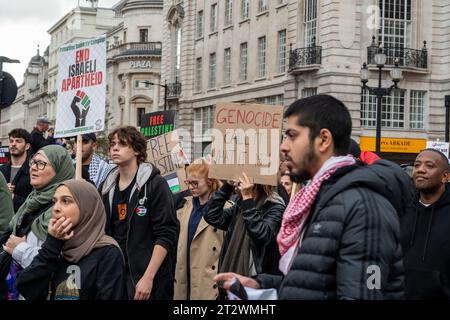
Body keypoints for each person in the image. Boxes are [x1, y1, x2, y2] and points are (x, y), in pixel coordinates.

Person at [215, 94, 411, 300]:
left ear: (324, 140)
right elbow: (316, 286)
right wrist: (260, 284)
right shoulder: (321, 197)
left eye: (292, 135)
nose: (283, 146)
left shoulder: (363, 206)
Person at [100, 126, 179, 300]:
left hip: (147, 277)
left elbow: (166, 233)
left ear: (136, 150)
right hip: (115, 273)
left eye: (122, 144)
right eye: (112, 144)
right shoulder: (107, 186)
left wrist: (148, 277)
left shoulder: (155, 185)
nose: (114, 148)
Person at [15, 179, 125, 300]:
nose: (55, 208)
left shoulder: (107, 253)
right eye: (54, 201)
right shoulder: (58, 246)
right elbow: (28, 288)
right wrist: (52, 244)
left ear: (86, 208)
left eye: (66, 201)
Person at [1, 145, 75, 300]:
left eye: (41, 164)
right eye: (32, 162)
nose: (33, 168)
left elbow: (59, 262)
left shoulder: (66, 210)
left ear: (59, 169)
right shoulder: (32, 199)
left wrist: (20, 248)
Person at [204, 172, 286, 282]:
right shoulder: (240, 206)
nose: (238, 185)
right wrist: (227, 186)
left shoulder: (274, 207)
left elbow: (262, 235)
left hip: (256, 281)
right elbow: (212, 216)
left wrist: (247, 199)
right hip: (233, 279)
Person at [401, 149, 450, 299]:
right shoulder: (402, 210)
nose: (421, 170)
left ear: (445, 176)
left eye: (429, 166)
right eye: (417, 165)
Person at [174, 159, 224, 300]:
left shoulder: (226, 208)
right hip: (185, 281)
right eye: (188, 182)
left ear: (210, 181)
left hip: (208, 283)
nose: (191, 187)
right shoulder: (185, 206)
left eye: (195, 183)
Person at [0, 129, 33, 212]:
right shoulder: (1, 170)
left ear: (27, 146)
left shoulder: (33, 170)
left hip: (23, 221)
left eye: (18, 141)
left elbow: (35, 203)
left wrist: (12, 196)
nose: (13, 144)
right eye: (11, 141)